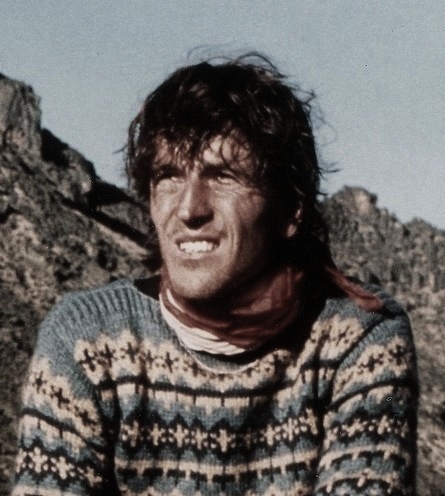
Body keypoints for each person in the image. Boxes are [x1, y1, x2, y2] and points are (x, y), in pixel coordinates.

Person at [13, 54, 418, 495]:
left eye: (222, 176)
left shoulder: (356, 337)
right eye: (168, 177)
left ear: (290, 209)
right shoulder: (85, 339)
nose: (189, 209)